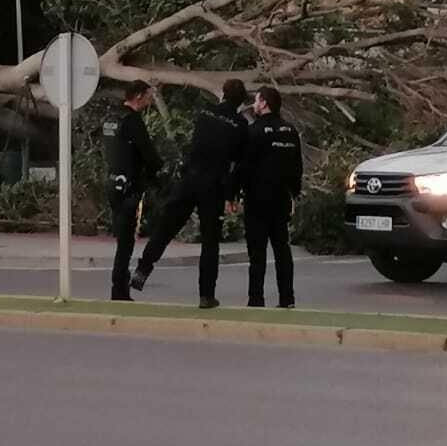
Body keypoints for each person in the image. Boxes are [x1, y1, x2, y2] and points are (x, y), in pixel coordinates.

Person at [131, 78, 248, 309]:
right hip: (214, 185)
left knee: (166, 227)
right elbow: (239, 164)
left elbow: (195, 143)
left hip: (190, 178)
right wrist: (232, 194)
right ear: (240, 102)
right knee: (210, 242)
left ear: (223, 95)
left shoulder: (204, 112)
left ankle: (143, 270)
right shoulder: (240, 125)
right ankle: (206, 295)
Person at [242, 85, 303, 308]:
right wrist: (294, 194)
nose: (254, 105)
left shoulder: (254, 131)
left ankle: (255, 298)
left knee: (257, 253)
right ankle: (287, 298)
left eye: (257, 101)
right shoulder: (290, 131)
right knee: (282, 249)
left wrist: (237, 192)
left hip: (257, 199)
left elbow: (245, 166)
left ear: (264, 103)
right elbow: (297, 167)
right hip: (281, 199)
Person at [102, 80, 161, 302]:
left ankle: (119, 287)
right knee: (126, 241)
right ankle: (119, 290)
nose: (149, 99)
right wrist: (155, 171)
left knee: (122, 237)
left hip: (112, 183)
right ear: (138, 96)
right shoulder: (133, 120)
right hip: (129, 186)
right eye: (147, 95)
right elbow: (149, 154)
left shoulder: (111, 118)